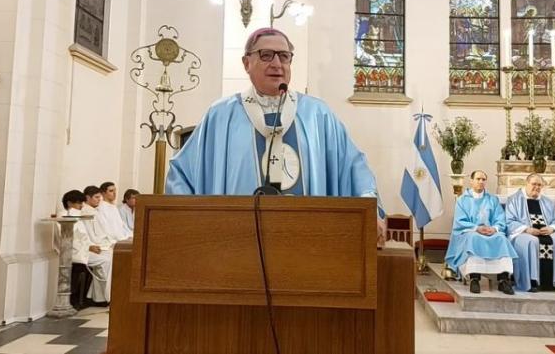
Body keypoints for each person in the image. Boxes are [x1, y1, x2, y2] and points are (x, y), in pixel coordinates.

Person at [165, 27, 386, 240]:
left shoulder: (317, 115)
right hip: (236, 243)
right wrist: (187, 221)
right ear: (246, 63)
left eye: (284, 56)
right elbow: (182, 174)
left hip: (308, 244)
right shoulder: (221, 115)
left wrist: (370, 208)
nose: (277, 64)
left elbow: (354, 166)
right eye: (266, 55)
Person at [444, 171, 517, 294]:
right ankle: (474, 279)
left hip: (490, 232)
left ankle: (503, 280)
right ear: (471, 181)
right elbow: (459, 221)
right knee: (474, 238)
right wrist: (476, 228)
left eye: (483, 179)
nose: (481, 182)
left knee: (501, 239)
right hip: (471, 231)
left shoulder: (492, 199)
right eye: (478, 179)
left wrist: (494, 229)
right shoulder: (463, 200)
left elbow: (500, 218)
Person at [506, 174, 555, 294]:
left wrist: (552, 228)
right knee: (532, 241)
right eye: (534, 184)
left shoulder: (547, 202)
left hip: (545, 232)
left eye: (539, 185)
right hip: (522, 233)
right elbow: (509, 221)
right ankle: (532, 281)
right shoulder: (514, 200)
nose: (537, 187)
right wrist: (526, 229)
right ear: (526, 183)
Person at [73, 187, 115, 304]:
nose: (99, 200)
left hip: (97, 243)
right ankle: (106, 296)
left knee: (112, 256)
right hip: (90, 246)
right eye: (96, 197)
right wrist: (91, 246)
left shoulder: (94, 210)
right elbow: (87, 234)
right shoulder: (85, 212)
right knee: (108, 259)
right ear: (87, 198)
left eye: (99, 197)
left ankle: (100, 296)